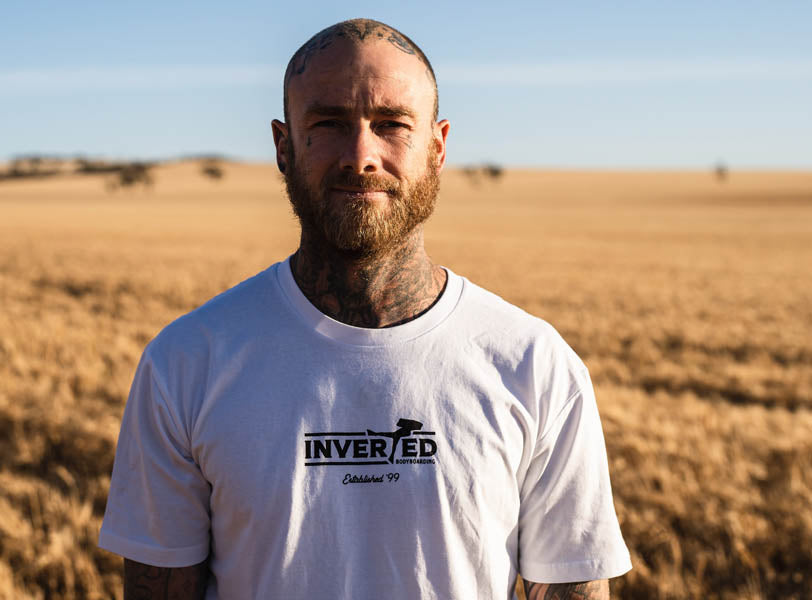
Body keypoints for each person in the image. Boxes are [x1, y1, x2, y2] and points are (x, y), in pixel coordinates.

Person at [99, 18, 632, 600]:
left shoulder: (534, 364)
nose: (361, 156)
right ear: (283, 146)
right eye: (327, 123)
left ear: (437, 146)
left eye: (391, 125)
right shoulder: (186, 363)